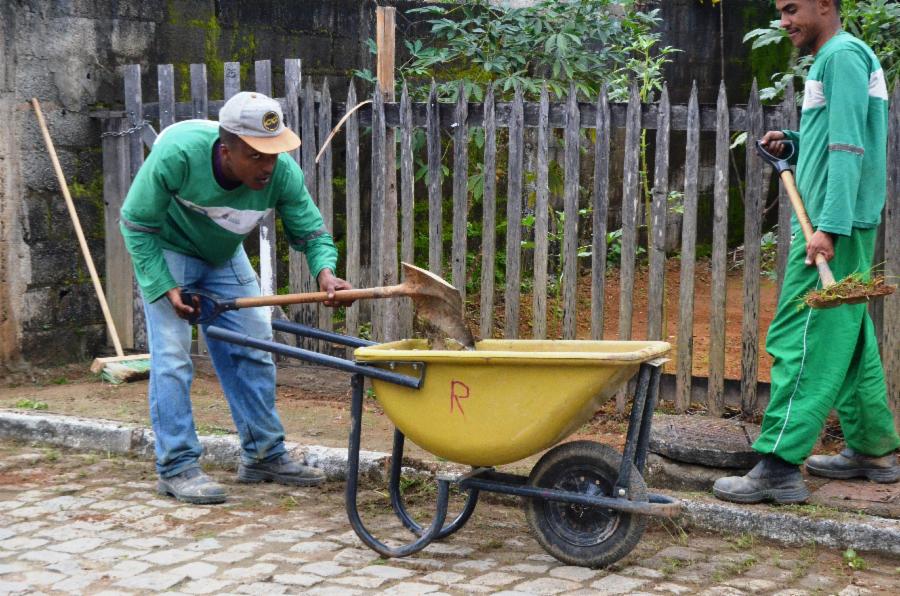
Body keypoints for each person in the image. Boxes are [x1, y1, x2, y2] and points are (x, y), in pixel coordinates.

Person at [120, 91, 352, 504]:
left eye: (274, 154)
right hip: (168, 251)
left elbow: (311, 231)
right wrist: (163, 284)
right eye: (256, 156)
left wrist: (326, 273)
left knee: (255, 347)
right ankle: (176, 466)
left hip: (223, 255)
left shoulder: (281, 175)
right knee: (173, 357)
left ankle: (263, 454)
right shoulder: (178, 154)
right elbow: (136, 224)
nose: (268, 165)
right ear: (226, 150)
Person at [714, 0, 899, 504]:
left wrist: (830, 229)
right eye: (780, 11)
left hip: (831, 225)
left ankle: (779, 463)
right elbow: (838, 138)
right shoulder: (843, 55)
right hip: (837, 219)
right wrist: (796, 143)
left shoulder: (840, 55)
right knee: (849, 334)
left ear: (826, 4)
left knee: (802, 338)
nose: (784, 21)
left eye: (793, 8)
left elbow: (848, 149)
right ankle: (872, 449)